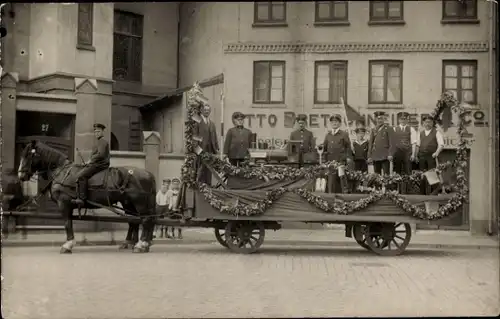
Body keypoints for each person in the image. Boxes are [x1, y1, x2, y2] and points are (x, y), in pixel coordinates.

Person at [72, 123, 110, 206]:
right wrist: (88, 162)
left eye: (99, 131)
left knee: (81, 176)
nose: (97, 133)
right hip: (96, 163)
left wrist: (90, 161)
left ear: (103, 132)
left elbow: (101, 154)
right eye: (95, 132)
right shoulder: (98, 142)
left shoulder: (103, 142)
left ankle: (82, 199)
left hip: (100, 165)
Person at [323, 114, 352, 193]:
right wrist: (324, 161)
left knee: (341, 181)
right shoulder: (328, 135)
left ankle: (343, 198)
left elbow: (348, 148)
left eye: (336, 122)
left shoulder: (344, 134)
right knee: (331, 182)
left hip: (340, 162)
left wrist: (346, 159)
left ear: (340, 123)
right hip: (330, 162)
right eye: (332, 122)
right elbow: (325, 149)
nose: (334, 123)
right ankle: (331, 197)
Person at [390, 112, 418, 193]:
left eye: (405, 119)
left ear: (407, 120)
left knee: (408, 170)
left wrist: (413, 154)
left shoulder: (411, 129)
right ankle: (396, 189)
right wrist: (391, 154)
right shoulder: (394, 129)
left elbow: (414, 142)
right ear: (398, 120)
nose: (403, 120)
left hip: (407, 152)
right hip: (397, 152)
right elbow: (392, 143)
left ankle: (408, 189)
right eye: (401, 119)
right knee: (397, 171)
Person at [417, 115, 445, 195]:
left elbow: (441, 145)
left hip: (431, 157)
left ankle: (435, 192)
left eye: (429, 122)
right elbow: (417, 145)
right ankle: (422, 193)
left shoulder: (436, 132)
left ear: (432, 123)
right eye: (426, 122)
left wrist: (436, 152)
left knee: (432, 174)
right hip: (422, 156)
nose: (427, 124)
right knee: (422, 175)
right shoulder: (420, 133)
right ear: (423, 123)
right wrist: (416, 155)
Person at [194, 103, 219, 185]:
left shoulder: (212, 124)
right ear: (201, 110)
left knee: (209, 170)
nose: (207, 112)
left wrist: (217, 149)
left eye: (208, 110)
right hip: (201, 150)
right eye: (205, 110)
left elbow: (215, 138)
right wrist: (197, 150)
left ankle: (208, 187)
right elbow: (195, 136)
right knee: (200, 170)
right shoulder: (197, 121)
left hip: (210, 151)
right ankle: (200, 187)